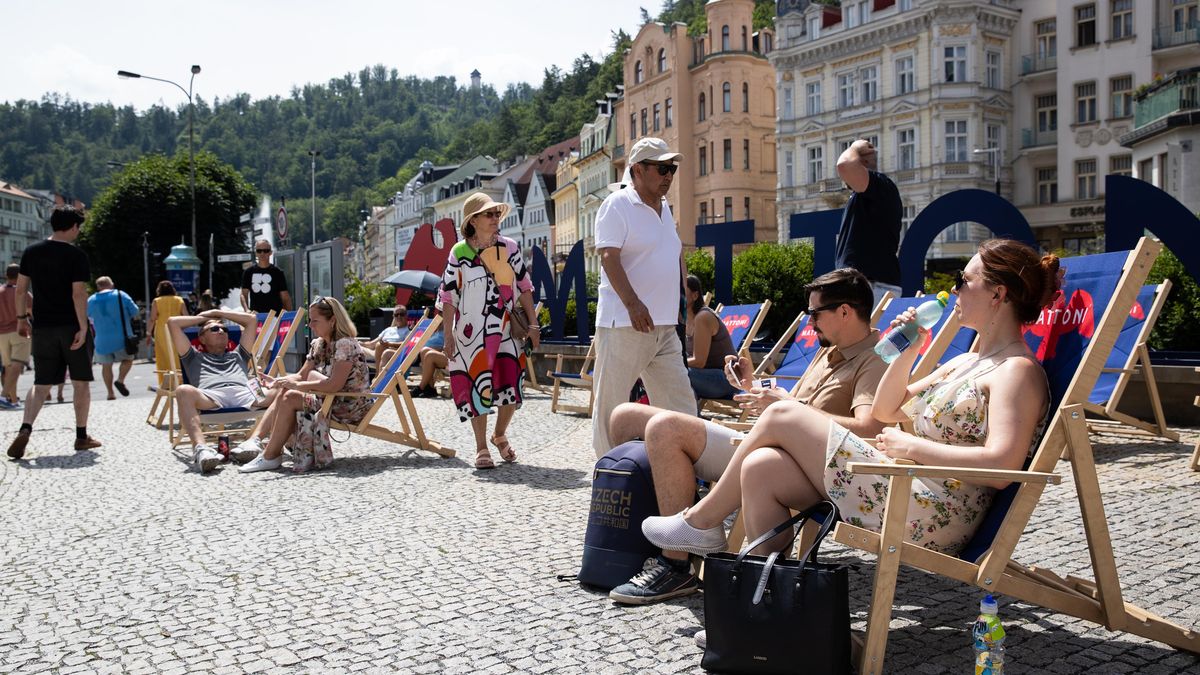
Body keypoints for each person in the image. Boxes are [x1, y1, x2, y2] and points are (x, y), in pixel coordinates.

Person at [643, 239, 1059, 563]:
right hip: (902, 484)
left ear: (997, 294)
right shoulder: (967, 361)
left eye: (963, 281)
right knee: (761, 467)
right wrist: (908, 350)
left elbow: (1003, 467)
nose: (953, 290)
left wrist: (913, 447)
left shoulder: (1016, 371)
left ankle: (701, 522)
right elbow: (886, 410)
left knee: (785, 413)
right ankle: (761, 609)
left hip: (933, 508)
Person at [604, 268, 887, 604]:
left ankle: (677, 560)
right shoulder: (829, 351)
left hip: (803, 468)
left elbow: (870, 428)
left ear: (844, 311)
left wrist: (791, 408)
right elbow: (791, 409)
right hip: (765, 443)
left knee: (666, 429)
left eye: (815, 313)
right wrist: (753, 388)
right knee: (626, 416)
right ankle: (636, 541)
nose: (810, 322)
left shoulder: (874, 360)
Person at [591, 137, 696, 458]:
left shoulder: (665, 209)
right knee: (611, 402)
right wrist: (633, 304)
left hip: (664, 326)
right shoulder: (617, 205)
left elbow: (676, 257)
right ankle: (607, 470)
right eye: (662, 168)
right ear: (637, 169)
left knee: (680, 403)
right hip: (626, 322)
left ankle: (690, 467)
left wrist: (685, 307)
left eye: (672, 169)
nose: (669, 175)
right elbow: (608, 257)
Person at [438, 192, 540, 470]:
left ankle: (500, 434)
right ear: (473, 220)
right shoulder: (459, 253)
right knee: (475, 385)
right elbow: (448, 296)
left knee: (511, 386)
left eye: (497, 214)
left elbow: (525, 286)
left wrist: (533, 324)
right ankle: (482, 446)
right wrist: (448, 335)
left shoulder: (510, 248)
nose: (496, 218)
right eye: (489, 214)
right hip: (471, 333)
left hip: (505, 328)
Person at [237, 296, 373, 474]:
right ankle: (259, 444)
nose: (310, 324)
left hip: (349, 405)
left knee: (291, 396)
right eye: (310, 320)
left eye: (315, 320)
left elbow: (333, 386)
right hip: (329, 400)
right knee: (285, 389)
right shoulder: (319, 344)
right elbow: (301, 376)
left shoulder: (345, 345)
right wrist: (278, 382)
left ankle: (269, 455)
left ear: (332, 321)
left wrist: (298, 386)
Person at [6, 205, 101, 459]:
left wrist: (22, 319)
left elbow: (20, 290)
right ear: (72, 227)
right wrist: (82, 326)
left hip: (43, 326)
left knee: (41, 383)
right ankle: (81, 437)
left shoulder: (31, 252)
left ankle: (26, 427)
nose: (78, 232)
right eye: (78, 228)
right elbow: (78, 293)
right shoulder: (76, 255)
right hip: (70, 326)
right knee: (81, 382)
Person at [166, 309, 260, 473]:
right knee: (182, 390)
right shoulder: (193, 357)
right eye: (214, 329)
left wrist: (219, 313)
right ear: (201, 338)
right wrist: (206, 317)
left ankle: (253, 441)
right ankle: (201, 449)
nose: (221, 331)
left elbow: (251, 320)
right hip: (211, 397)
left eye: (224, 329)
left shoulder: (239, 354)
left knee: (281, 390)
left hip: (244, 393)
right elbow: (173, 322)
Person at [835, 139, 903, 306]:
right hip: (865, 284)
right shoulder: (866, 195)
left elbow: (844, 165)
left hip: (871, 286)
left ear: (862, 163)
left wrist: (855, 148)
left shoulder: (881, 185)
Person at [683, 275, 737, 401]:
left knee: (676, 372)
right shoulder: (682, 320)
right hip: (704, 377)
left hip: (726, 379)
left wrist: (669, 364)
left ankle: (692, 417)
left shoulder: (703, 317)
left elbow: (699, 362)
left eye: (682, 291)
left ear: (695, 296)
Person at [86, 276, 139, 400]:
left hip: (101, 340)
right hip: (122, 339)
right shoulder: (121, 295)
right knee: (128, 359)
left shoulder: (91, 300)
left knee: (106, 366)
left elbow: (87, 316)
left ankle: (110, 393)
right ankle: (120, 380)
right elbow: (135, 311)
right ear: (112, 284)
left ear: (98, 287)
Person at [0, 264, 33, 407]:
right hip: (20, 331)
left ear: (6, 275)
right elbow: (31, 313)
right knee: (17, 365)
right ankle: (3, 396)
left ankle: (12, 400)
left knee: (8, 367)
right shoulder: (24, 293)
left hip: (2, 334)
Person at [148, 280, 189, 386]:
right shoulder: (179, 300)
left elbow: (152, 318)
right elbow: (186, 316)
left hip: (162, 330)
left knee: (163, 356)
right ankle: (180, 380)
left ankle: (167, 383)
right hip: (177, 329)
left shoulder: (156, 301)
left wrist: (148, 333)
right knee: (178, 353)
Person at [240, 239, 293, 313]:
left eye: (266, 251)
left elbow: (285, 297)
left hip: (275, 317)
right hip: (255, 317)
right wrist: (246, 310)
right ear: (256, 253)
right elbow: (243, 294)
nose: (262, 253)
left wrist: (289, 317)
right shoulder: (248, 272)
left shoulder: (278, 272)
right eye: (259, 251)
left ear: (270, 253)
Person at [408, 313, 447, 399]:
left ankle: (421, 387)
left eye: (442, 319)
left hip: (451, 357)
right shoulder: (435, 332)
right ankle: (430, 388)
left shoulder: (448, 332)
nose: (439, 321)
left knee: (429, 355)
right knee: (425, 351)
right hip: (428, 354)